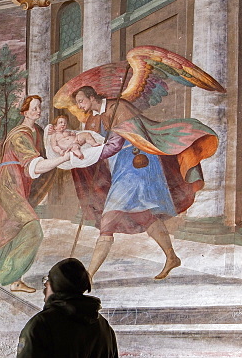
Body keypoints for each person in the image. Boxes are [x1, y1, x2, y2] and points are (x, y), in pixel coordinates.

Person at [72, 85, 207, 281]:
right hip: (120, 168)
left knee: (107, 220)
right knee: (144, 215)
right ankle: (171, 256)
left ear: (92, 97)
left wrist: (101, 147)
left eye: (81, 100)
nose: (79, 105)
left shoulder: (119, 107)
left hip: (136, 166)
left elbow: (119, 142)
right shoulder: (93, 119)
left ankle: (89, 275)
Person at [0, 95, 69, 302]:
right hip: (7, 187)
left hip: (17, 186)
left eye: (39, 107)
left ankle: (13, 279)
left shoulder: (35, 132)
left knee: (10, 236)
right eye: (33, 108)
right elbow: (35, 165)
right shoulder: (20, 135)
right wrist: (64, 159)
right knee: (33, 229)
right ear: (25, 112)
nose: (38, 111)